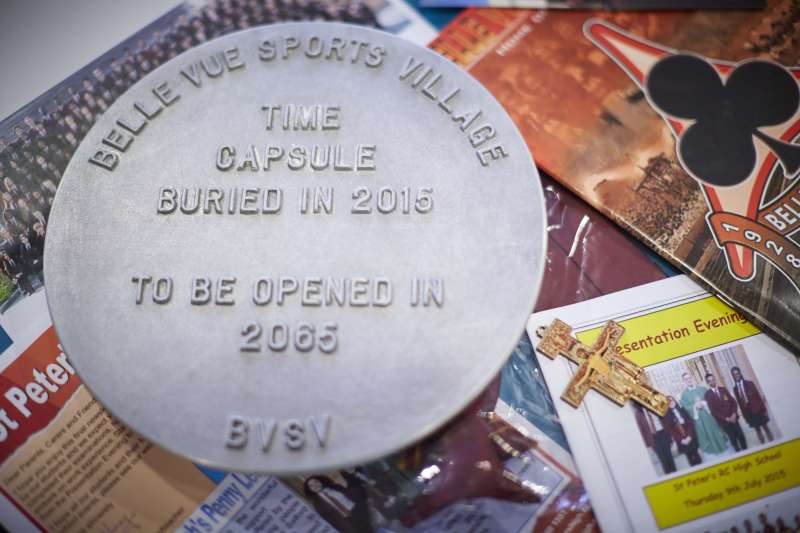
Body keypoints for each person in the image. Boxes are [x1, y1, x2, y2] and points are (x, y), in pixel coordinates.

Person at [680, 372, 728, 454]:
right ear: (683, 381)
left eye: (689, 378)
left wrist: (704, 403)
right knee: (705, 432)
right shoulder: (684, 395)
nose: (688, 380)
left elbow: (710, 399)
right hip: (698, 419)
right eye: (686, 379)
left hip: (708, 415)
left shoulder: (702, 389)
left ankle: (722, 446)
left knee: (715, 429)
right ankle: (712, 450)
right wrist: (695, 406)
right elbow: (686, 407)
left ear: (692, 378)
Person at [705, 373, 747, 451]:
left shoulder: (723, 389)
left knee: (740, 435)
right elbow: (713, 411)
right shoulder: (707, 395)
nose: (712, 382)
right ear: (707, 383)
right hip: (724, 421)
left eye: (713, 380)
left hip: (733, 417)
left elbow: (733, 402)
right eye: (710, 381)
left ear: (715, 380)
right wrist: (726, 419)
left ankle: (746, 450)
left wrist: (734, 414)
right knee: (733, 438)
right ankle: (738, 451)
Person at [730, 367, 773, 444]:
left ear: (740, 373)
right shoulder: (735, 389)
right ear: (732, 376)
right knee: (758, 431)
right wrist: (745, 416)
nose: (736, 375)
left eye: (737, 373)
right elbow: (740, 403)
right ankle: (764, 446)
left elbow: (758, 397)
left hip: (758, 410)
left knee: (766, 428)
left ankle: (773, 443)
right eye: (734, 374)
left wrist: (764, 410)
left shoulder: (749, 383)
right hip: (749, 413)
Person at [634, 404, 676, 474]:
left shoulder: (655, 406)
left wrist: (670, 436)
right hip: (653, 438)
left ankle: (675, 474)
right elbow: (642, 431)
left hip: (662, 434)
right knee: (663, 460)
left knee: (670, 457)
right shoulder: (638, 414)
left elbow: (665, 421)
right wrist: (648, 445)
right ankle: (669, 475)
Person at [663, 396, 701, 467]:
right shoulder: (666, 416)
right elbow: (671, 431)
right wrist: (681, 440)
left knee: (696, 455)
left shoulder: (682, 410)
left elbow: (690, 423)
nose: (671, 402)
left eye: (672, 400)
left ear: (675, 401)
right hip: (680, 438)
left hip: (689, 434)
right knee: (690, 458)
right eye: (668, 402)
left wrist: (689, 436)